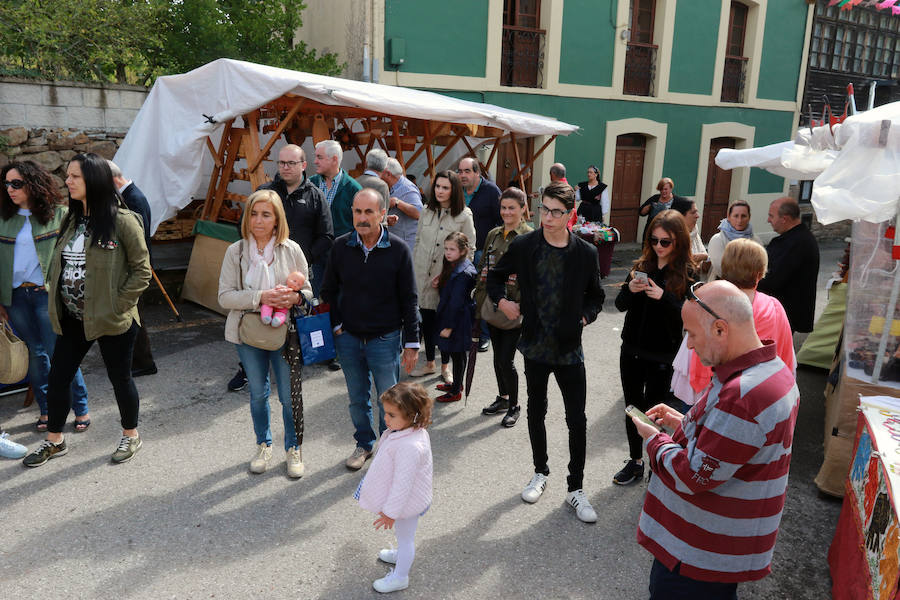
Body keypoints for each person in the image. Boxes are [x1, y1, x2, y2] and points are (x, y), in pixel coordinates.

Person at [631, 280, 799, 598]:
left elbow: (695, 473)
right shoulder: (772, 369)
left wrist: (654, 440)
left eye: (692, 334)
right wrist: (684, 421)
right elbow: (732, 446)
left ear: (721, 329)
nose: (690, 346)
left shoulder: (745, 394)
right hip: (716, 550)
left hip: (698, 554)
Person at [22, 153, 151, 467]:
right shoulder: (72, 219)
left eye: (74, 176)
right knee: (58, 378)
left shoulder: (123, 220)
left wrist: (118, 305)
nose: (67, 182)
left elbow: (142, 271)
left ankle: (131, 435)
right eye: (68, 176)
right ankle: (55, 441)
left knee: (120, 378)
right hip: (72, 318)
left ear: (94, 180)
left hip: (112, 319)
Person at [487, 181, 605, 523]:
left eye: (556, 211)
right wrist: (504, 302)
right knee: (536, 410)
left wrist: (585, 316)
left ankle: (576, 488)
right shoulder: (525, 246)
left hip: (569, 349)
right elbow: (494, 279)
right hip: (535, 345)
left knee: (577, 419)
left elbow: (596, 296)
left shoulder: (586, 252)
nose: (548, 217)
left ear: (570, 215)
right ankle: (540, 472)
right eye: (544, 210)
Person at [321, 188, 420, 471]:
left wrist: (412, 342)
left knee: (388, 399)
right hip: (349, 338)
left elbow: (409, 298)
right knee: (356, 398)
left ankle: (390, 448)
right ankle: (364, 443)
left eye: (368, 212)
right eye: (357, 211)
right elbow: (329, 290)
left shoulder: (399, 250)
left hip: (385, 339)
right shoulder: (341, 247)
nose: (362, 218)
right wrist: (337, 326)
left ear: (382, 214)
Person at [217, 189, 313, 478]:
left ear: (276, 220)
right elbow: (224, 297)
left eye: (266, 215)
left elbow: (308, 292)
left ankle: (293, 448)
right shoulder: (235, 251)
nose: (258, 220)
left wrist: (295, 299)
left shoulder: (291, 249)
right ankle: (263, 444)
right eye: (254, 214)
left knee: (288, 395)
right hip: (248, 332)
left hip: (284, 332)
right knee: (258, 394)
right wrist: (262, 296)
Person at [227, 143, 337, 389]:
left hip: (296, 273)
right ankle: (248, 369)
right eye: (281, 163)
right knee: (257, 317)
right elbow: (243, 227)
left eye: (291, 163)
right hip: (261, 269)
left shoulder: (314, 196)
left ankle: (290, 364)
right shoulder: (265, 192)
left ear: (303, 165)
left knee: (293, 321)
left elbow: (327, 235)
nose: (285, 168)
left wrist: (301, 260)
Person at [1, 161, 91, 433]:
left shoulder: (60, 215)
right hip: (15, 297)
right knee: (36, 355)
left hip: (47, 296)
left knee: (59, 354)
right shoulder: (4, 218)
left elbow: (76, 255)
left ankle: (81, 407)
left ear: (33, 184)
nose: (10, 189)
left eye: (16, 183)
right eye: (6, 184)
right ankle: (47, 409)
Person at [613, 209, 695, 486]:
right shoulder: (642, 266)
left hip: (663, 354)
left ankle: (655, 465)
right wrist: (630, 290)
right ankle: (635, 461)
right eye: (654, 240)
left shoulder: (687, 273)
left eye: (665, 242)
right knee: (632, 407)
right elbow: (620, 305)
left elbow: (691, 315)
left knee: (657, 412)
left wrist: (665, 297)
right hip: (632, 350)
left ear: (678, 242)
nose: (658, 247)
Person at [681, 238, 796, 403]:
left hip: (715, 388)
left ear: (725, 268)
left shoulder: (709, 304)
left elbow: (695, 351)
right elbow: (785, 353)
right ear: (759, 274)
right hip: (762, 388)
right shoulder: (773, 306)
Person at [355, 382, 433, 594]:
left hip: (407, 503)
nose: (386, 419)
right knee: (403, 536)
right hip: (407, 501)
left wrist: (390, 513)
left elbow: (402, 485)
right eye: (385, 413)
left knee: (406, 538)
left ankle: (400, 577)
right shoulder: (408, 431)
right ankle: (400, 555)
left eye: (391, 415)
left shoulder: (409, 446)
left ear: (412, 416)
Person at [474, 187, 533, 427]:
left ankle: (515, 405)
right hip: (493, 304)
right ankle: (503, 397)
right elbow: (483, 270)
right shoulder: (494, 234)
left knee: (506, 360)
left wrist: (522, 306)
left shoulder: (529, 237)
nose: (506, 212)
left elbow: (532, 278)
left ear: (522, 209)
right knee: (497, 358)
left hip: (515, 309)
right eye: (503, 208)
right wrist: (479, 301)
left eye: (512, 208)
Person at [410, 171, 475, 382]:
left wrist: (453, 275)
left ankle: (444, 367)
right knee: (427, 323)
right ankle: (429, 363)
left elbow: (470, 249)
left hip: (447, 281)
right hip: (422, 276)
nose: (440, 191)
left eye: (445, 187)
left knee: (445, 323)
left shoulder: (464, 215)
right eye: (437, 186)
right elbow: (418, 240)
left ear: (454, 189)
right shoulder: (426, 212)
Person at [108, 160, 157, 378]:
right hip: (134, 267)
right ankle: (137, 360)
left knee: (136, 318)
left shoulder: (134, 198)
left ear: (112, 180)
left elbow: (139, 239)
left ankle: (144, 362)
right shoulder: (130, 195)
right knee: (134, 316)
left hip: (136, 268)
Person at [457, 157, 500, 352]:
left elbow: (501, 221)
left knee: (483, 294)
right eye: (460, 171)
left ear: (477, 173)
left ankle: (484, 335)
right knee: (463, 292)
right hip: (460, 252)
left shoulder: (491, 191)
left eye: (467, 171)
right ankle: (465, 332)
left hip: (484, 251)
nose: (462, 175)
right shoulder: (457, 191)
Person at [758, 197, 820, 333]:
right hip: (782, 312)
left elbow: (773, 279)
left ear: (784, 219)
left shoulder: (796, 243)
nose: (768, 220)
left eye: (771, 216)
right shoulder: (796, 238)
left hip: (783, 314)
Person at [433, 232, 476, 403]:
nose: (448, 252)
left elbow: (457, 303)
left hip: (458, 320)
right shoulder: (455, 265)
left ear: (463, 250)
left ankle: (456, 390)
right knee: (455, 352)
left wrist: (449, 326)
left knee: (458, 355)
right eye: (446, 249)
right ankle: (457, 384)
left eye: (452, 249)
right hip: (454, 317)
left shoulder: (463, 272)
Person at [310, 139, 362, 239]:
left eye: (319, 157)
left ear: (334, 159)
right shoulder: (310, 184)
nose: (315, 161)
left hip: (342, 251)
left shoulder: (353, 189)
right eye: (315, 156)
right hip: (314, 251)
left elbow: (360, 225)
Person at [705, 200, 760, 281]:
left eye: (743, 216)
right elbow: (721, 270)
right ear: (729, 216)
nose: (740, 220)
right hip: (721, 287)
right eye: (736, 216)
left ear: (749, 217)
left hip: (749, 288)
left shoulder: (756, 241)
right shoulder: (717, 240)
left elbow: (759, 267)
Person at [379, 157, 423, 253]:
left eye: (380, 171)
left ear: (388, 174)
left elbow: (419, 213)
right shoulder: (388, 187)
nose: (378, 175)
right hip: (394, 242)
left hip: (407, 245)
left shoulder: (408, 189)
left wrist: (397, 202)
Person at [639, 178, 691, 243]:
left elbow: (684, 217)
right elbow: (641, 212)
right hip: (651, 233)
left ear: (671, 189)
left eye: (665, 189)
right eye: (661, 189)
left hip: (668, 235)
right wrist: (650, 206)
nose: (663, 191)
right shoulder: (655, 198)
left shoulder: (678, 201)